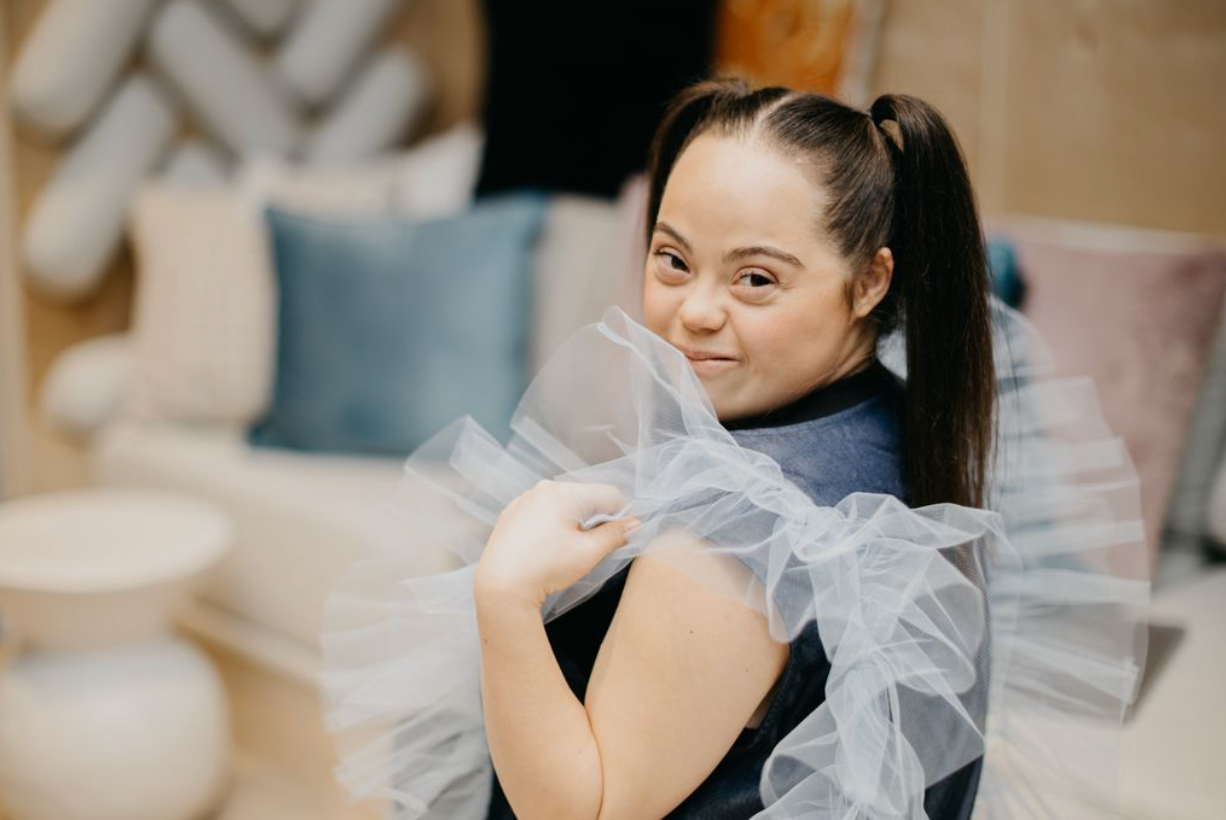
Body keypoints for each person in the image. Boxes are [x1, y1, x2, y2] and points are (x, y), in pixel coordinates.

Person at [318, 76, 1149, 820]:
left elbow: (585, 811)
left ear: (870, 281)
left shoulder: (730, 541)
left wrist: (504, 595)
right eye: (673, 259)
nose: (695, 312)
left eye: (756, 278)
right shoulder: (899, 424)